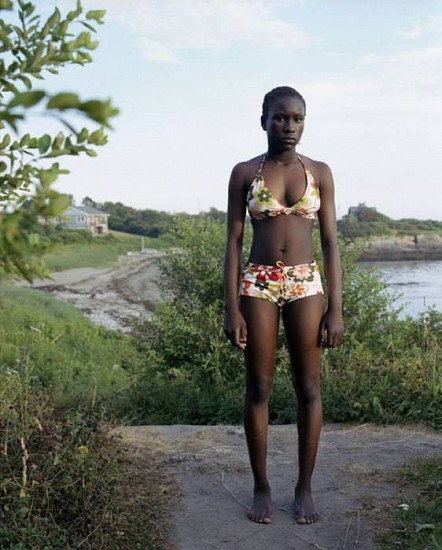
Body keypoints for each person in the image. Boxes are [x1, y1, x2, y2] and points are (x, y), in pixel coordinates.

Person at [223, 86, 344, 525]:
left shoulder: (320, 173)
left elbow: (330, 242)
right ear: (263, 119)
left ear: (304, 123)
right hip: (257, 284)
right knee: (259, 388)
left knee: (309, 389)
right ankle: (261, 487)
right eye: (280, 118)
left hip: (306, 284)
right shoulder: (244, 173)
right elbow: (234, 242)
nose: (288, 127)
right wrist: (230, 307)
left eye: (296, 119)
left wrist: (336, 307)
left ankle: (304, 487)